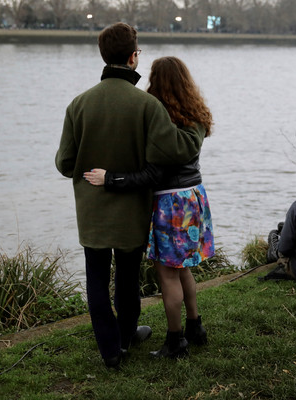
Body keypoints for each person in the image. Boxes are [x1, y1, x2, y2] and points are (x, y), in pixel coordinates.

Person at [55, 23, 204, 369]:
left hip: (91, 212)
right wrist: (197, 128)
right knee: (127, 276)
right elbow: (174, 150)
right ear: (133, 57)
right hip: (132, 209)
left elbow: (65, 163)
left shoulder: (78, 105)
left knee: (95, 279)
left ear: (104, 56)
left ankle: (109, 350)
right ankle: (125, 337)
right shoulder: (147, 106)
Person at [83, 56, 214, 359]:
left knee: (166, 274)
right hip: (194, 195)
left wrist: (111, 177)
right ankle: (195, 327)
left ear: (156, 80)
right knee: (183, 269)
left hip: (170, 200)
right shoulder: (194, 114)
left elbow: (153, 173)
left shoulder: (157, 116)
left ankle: (176, 340)